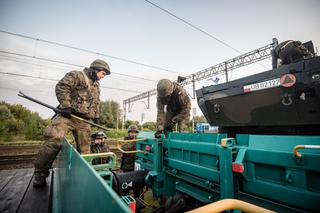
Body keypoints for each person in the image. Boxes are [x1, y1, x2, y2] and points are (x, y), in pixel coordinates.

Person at [33, 59, 110, 188]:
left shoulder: (96, 85)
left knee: (85, 151)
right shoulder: (77, 75)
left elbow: (96, 102)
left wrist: (96, 117)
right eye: (102, 73)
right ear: (95, 70)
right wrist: (65, 105)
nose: (103, 77)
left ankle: (84, 175)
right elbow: (62, 87)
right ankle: (40, 173)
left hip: (83, 121)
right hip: (67, 116)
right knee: (54, 140)